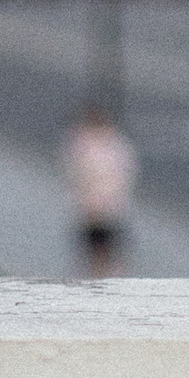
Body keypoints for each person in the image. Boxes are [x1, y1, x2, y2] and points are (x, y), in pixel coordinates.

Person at [62, 102, 137, 277]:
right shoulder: (80, 143)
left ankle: (108, 278)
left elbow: (123, 175)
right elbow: (74, 175)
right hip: (90, 208)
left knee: (109, 249)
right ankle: (96, 278)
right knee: (92, 251)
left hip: (109, 208)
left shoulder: (114, 144)